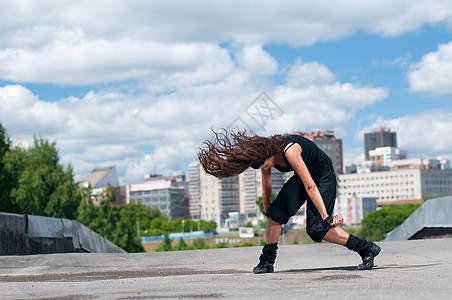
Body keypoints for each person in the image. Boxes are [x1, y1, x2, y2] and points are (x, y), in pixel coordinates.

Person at [198, 129, 380, 274]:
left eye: (267, 165)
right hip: (304, 178)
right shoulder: (264, 156)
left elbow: (311, 187)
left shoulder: (290, 150)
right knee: (276, 213)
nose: (267, 168)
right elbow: (266, 190)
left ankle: (366, 248)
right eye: (263, 168)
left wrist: (326, 217)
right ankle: (267, 260)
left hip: (323, 176)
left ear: (269, 156)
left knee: (317, 230)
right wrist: (272, 215)